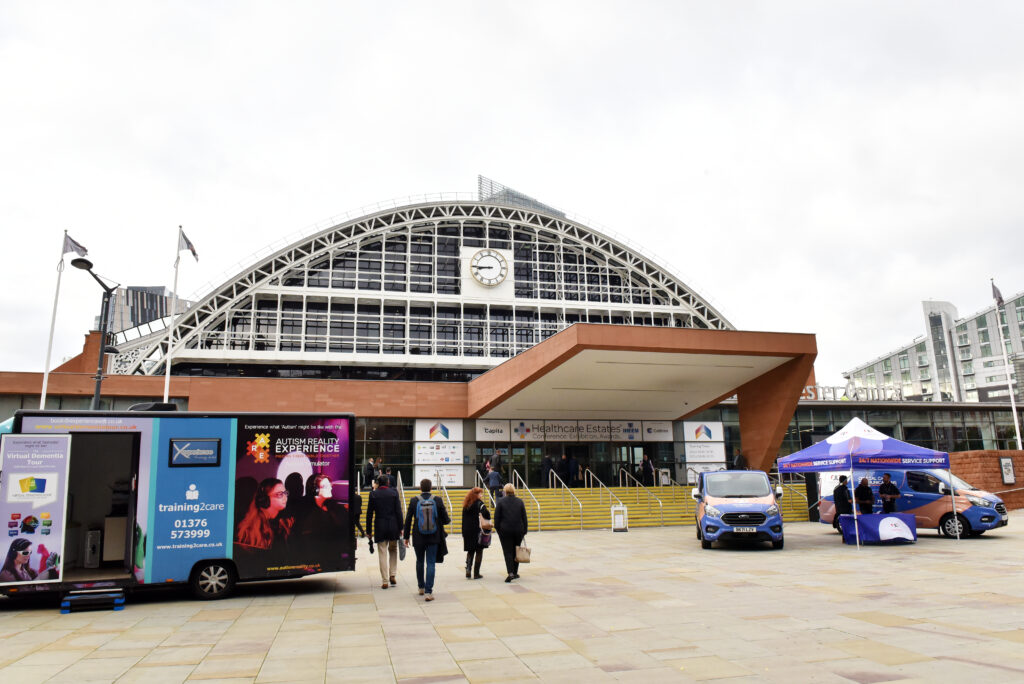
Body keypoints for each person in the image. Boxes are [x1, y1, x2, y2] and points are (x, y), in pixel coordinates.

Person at [403, 478, 450, 602]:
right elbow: (446, 520)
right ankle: (429, 592)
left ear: (420, 488)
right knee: (430, 563)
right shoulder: (437, 500)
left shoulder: (414, 501)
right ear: (431, 488)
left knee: (419, 561)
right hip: (434, 537)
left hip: (418, 537)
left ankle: (421, 587)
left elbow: (408, 520)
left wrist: (406, 537)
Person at [294, 473, 350, 564]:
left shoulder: (335, 507)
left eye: (330, 485)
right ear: (316, 490)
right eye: (326, 486)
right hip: (314, 558)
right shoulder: (305, 509)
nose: (331, 488)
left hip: (333, 556)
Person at [236, 477, 293, 554]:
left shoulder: (282, 524)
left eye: (285, 493)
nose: (285, 498)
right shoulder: (252, 529)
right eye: (279, 494)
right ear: (265, 499)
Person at [366, 474, 404, 589]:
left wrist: (369, 531)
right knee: (393, 550)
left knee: (382, 552)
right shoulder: (394, 493)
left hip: (380, 526)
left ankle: (385, 580)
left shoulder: (373, 494)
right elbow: (399, 511)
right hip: (393, 526)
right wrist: (401, 527)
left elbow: (369, 514)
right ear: (387, 483)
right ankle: (393, 574)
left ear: (378, 483)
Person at [493, 482, 528, 583]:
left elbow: (497, 518)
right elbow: (524, 517)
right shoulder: (520, 501)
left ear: (505, 491)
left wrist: (498, 530)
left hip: (505, 531)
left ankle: (510, 573)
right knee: (516, 550)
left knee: (507, 551)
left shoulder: (501, 502)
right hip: (518, 530)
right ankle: (515, 572)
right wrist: (524, 530)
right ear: (513, 490)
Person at [461, 487, 491, 580]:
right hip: (477, 530)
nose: (481, 495)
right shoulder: (480, 504)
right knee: (479, 550)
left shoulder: (466, 504)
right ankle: (476, 573)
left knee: (470, 550)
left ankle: (468, 570)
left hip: (467, 530)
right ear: (476, 495)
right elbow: (487, 514)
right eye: (480, 494)